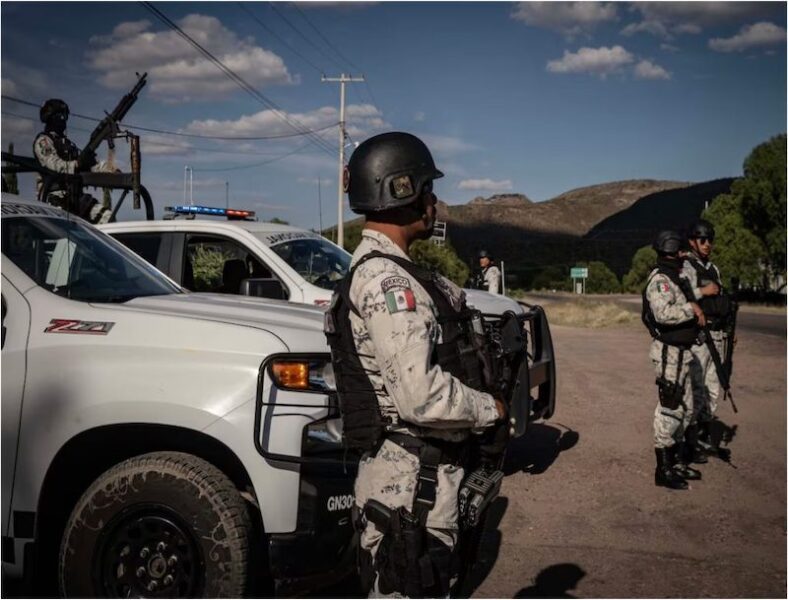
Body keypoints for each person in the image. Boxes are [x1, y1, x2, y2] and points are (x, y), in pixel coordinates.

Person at [324, 132, 506, 597]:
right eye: (427, 187)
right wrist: (490, 409)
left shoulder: (392, 271)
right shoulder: (387, 281)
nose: (434, 200)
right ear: (402, 189)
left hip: (415, 479)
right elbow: (420, 396)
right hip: (411, 486)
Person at [642, 230, 704, 490]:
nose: (685, 255)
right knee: (670, 408)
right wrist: (692, 309)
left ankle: (677, 461)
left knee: (686, 409)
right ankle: (663, 469)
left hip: (683, 352)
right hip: (669, 352)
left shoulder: (676, 276)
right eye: (681, 251)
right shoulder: (661, 280)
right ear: (672, 251)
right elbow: (663, 313)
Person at [682, 219, 735, 460]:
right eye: (703, 239)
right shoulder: (687, 266)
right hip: (700, 338)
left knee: (714, 389)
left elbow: (722, 302)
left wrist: (730, 333)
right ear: (693, 241)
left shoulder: (713, 269)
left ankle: (703, 436)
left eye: (710, 240)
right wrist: (703, 291)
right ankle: (689, 443)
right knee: (696, 389)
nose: (707, 244)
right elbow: (680, 296)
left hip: (718, 334)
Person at [33, 98, 113, 224]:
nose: (63, 119)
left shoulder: (69, 145)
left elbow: (92, 165)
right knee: (65, 231)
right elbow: (53, 164)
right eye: (60, 115)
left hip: (75, 197)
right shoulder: (43, 141)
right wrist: (76, 165)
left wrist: (110, 170)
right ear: (51, 117)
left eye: (65, 115)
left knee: (107, 218)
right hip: (54, 198)